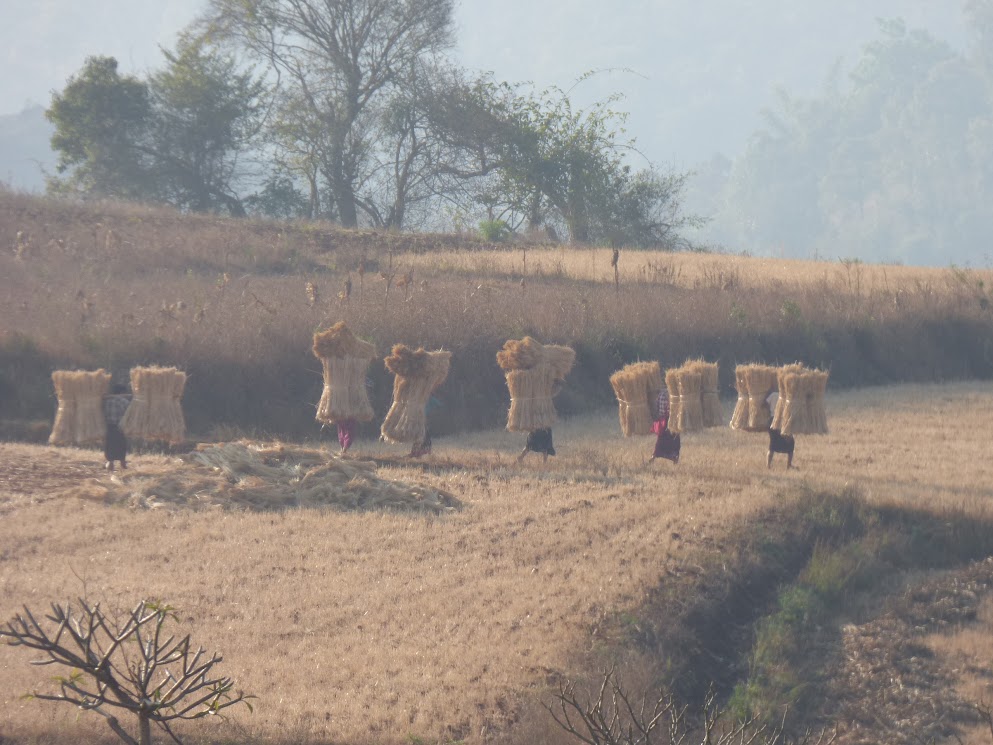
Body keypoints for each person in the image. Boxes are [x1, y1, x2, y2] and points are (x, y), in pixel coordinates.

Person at [517, 379, 564, 463]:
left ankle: (541, 462)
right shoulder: (538, 396)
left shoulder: (540, 395)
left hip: (541, 423)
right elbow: (555, 392)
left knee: (535, 444)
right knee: (536, 444)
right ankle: (522, 458)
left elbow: (555, 392)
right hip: (539, 424)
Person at [103, 382, 132, 472]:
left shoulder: (107, 401)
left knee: (110, 445)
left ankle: (110, 464)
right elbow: (129, 414)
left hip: (109, 426)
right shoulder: (124, 401)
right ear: (122, 392)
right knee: (121, 445)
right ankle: (123, 464)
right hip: (120, 427)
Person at [650, 386, 680, 464]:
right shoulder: (671, 395)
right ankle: (674, 457)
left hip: (662, 421)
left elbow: (657, 408)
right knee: (674, 441)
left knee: (661, 440)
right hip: (670, 421)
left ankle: (654, 456)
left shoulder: (660, 395)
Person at [765, 390, 795, 469]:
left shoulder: (773, 394)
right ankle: (789, 465)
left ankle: (768, 465)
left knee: (772, 443)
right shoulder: (786, 395)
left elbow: (765, 404)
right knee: (791, 441)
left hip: (771, 421)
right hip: (781, 421)